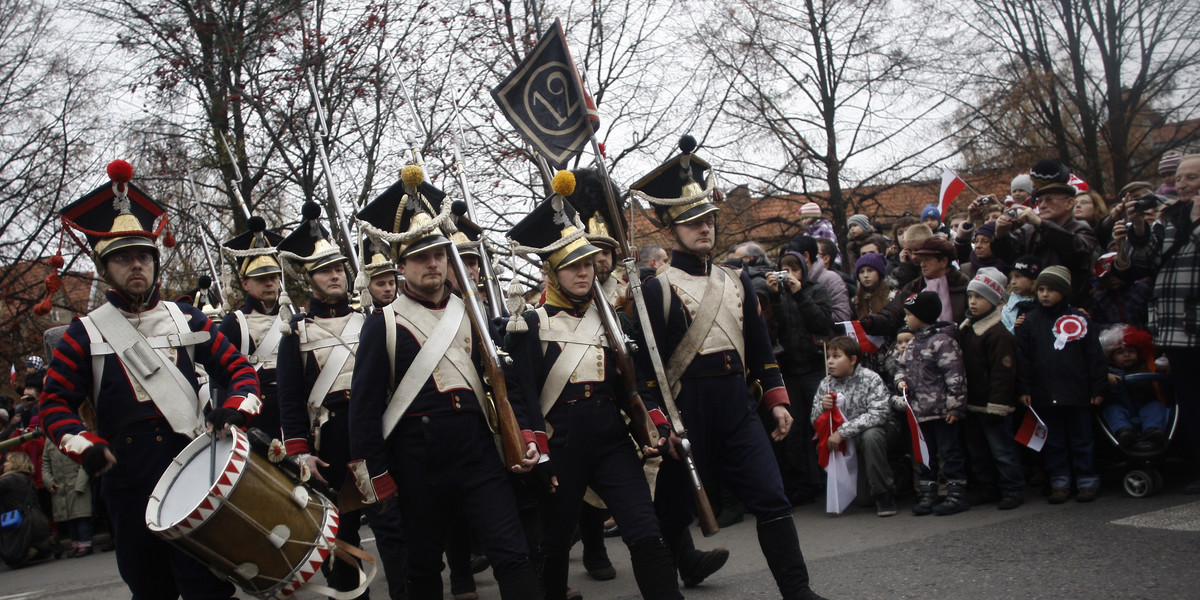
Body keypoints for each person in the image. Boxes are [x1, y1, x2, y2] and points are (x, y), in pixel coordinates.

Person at [38, 161, 260, 598]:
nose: (136, 265)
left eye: (143, 256)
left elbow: (239, 371)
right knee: (150, 588)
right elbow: (54, 405)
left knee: (208, 589)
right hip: (127, 477)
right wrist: (87, 446)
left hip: (194, 465)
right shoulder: (84, 333)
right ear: (105, 268)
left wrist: (236, 408)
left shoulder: (187, 318)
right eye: (123, 258)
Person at [629, 135, 826, 600]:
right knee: (672, 514)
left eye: (708, 220)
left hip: (738, 408)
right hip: (686, 412)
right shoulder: (654, 291)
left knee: (772, 499)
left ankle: (798, 592)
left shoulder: (736, 282)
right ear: (672, 228)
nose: (704, 229)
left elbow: (760, 352)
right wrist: (660, 425)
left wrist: (776, 400)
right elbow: (641, 371)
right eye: (692, 221)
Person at [349, 166, 544, 600]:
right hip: (417, 461)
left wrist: (527, 435)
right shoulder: (382, 323)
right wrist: (377, 477)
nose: (433, 263)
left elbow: (505, 384)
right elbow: (363, 410)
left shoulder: (471, 313)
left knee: (512, 555)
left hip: (478, 452)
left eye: (438, 253)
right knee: (422, 571)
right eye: (421, 256)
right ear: (402, 265)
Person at [505, 176, 682, 600]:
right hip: (559, 442)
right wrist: (537, 449)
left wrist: (654, 425)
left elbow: (633, 386)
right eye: (571, 266)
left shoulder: (612, 322)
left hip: (611, 439)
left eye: (587, 264)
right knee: (555, 542)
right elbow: (521, 397)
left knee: (644, 529)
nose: (583, 272)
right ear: (552, 271)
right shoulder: (529, 324)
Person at [276, 200, 405, 598]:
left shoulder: (372, 320)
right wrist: (300, 452)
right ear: (309, 278)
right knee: (341, 540)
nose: (334, 276)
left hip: (374, 432)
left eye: (338, 269)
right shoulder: (295, 332)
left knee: (394, 529)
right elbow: (290, 400)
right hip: (329, 442)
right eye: (324, 271)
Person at [1116, 153, 1200, 492]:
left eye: (1191, 177)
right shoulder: (1169, 219)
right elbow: (1145, 260)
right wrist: (1138, 226)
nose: (1182, 184)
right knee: (1191, 400)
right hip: (1176, 328)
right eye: (1179, 178)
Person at [1016, 266, 1107, 504]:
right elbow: (1023, 358)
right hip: (1044, 391)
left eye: (1052, 290)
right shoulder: (1030, 321)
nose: (1045, 294)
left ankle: (1086, 478)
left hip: (1076, 391)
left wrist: (1097, 387)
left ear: (1064, 292)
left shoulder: (1078, 319)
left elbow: (1094, 355)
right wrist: (1024, 388)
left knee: (1081, 437)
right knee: (1053, 439)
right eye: (1042, 289)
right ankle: (1059, 480)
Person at [767, 251, 834, 506]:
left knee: (820, 425)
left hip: (815, 366)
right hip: (790, 370)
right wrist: (774, 295)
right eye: (784, 269)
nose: (789, 274)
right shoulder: (778, 295)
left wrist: (800, 294)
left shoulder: (816, 290)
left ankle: (827, 480)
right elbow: (776, 330)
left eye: (793, 269)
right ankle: (802, 485)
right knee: (793, 432)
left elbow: (822, 322)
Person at [895, 291, 968, 516]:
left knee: (949, 451)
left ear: (922, 315)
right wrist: (901, 382)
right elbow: (901, 367)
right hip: (920, 412)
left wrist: (955, 406)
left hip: (942, 411)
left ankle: (956, 493)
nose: (906, 319)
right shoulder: (914, 343)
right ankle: (928, 492)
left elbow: (955, 376)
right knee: (925, 454)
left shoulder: (943, 342)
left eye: (909, 315)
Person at [958, 268, 1025, 510]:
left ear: (995, 300)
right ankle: (986, 487)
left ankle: (1012, 488)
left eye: (980, 297)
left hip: (993, 405)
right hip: (973, 402)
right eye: (971, 297)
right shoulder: (966, 329)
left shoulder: (998, 334)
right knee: (978, 451)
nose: (973, 302)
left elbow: (1003, 373)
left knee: (1002, 450)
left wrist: (998, 406)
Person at [811, 336, 899, 517]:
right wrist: (823, 407)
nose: (830, 361)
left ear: (852, 360)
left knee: (871, 436)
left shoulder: (870, 378)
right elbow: (814, 420)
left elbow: (879, 414)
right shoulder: (826, 384)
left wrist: (842, 432)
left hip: (876, 433)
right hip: (848, 441)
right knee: (863, 501)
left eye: (836, 356)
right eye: (828, 357)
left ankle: (884, 493)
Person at [993, 159, 1100, 306]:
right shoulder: (1029, 229)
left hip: (1072, 306)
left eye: (1049, 200)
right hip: (1035, 305)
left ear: (1069, 203)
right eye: (1040, 200)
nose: (1042, 205)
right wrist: (1000, 234)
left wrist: (1041, 224)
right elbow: (1009, 255)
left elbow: (1077, 250)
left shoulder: (1080, 227)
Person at [218, 215, 286, 439]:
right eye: (262, 278)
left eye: (274, 277)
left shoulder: (292, 318)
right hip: (255, 410)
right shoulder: (234, 323)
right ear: (245, 283)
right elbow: (223, 378)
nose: (270, 283)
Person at [861, 236, 969, 338]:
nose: (922, 264)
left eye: (927, 260)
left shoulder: (963, 286)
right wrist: (873, 321)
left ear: (944, 261)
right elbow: (893, 315)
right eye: (921, 260)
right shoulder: (914, 288)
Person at [1098, 325, 1167, 451]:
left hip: (1144, 402)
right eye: (1120, 352)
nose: (1127, 355)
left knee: (1155, 407)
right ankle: (1124, 432)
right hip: (1121, 405)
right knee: (1112, 410)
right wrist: (1105, 376)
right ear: (1110, 356)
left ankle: (1153, 430)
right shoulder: (1108, 370)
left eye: (1131, 351)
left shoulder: (1147, 366)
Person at [1, 451, 58, 567]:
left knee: (13, 559)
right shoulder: (24, 478)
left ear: (15, 463)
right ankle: (47, 545)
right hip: (35, 519)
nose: (4, 465)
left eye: (7, 462)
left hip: (23, 522)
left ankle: (43, 546)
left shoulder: (11, 479)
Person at [41, 441, 93, 557]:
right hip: (60, 486)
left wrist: (80, 484)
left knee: (81, 516)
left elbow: (84, 461)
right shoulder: (49, 441)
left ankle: (85, 543)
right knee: (70, 518)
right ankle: (75, 543)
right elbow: (45, 462)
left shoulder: (75, 435)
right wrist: (49, 482)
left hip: (75, 483)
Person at [785, 235, 851, 322]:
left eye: (793, 257)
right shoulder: (788, 282)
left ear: (806, 256)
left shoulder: (831, 279)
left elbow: (842, 316)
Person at [1002, 255, 1041, 333]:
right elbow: (1005, 338)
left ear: (1033, 279)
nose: (1013, 282)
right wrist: (1016, 329)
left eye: (1018, 276)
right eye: (1011, 277)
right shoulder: (1007, 310)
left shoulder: (1044, 304)